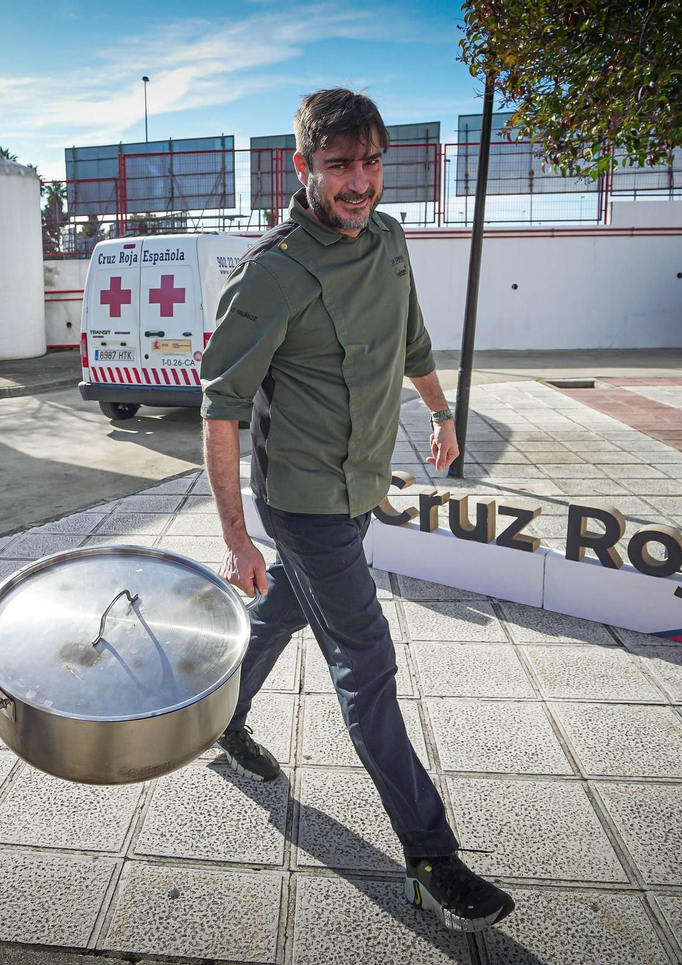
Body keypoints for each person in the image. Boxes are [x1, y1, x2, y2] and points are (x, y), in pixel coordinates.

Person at [199, 88, 515, 933]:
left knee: (283, 608)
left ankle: (220, 718)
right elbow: (220, 409)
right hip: (303, 504)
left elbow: (411, 338)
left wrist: (441, 414)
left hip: (361, 488)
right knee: (366, 663)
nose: (360, 181)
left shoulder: (388, 237)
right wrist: (236, 537)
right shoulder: (271, 273)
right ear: (302, 166)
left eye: (371, 162)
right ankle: (431, 856)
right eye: (339, 164)